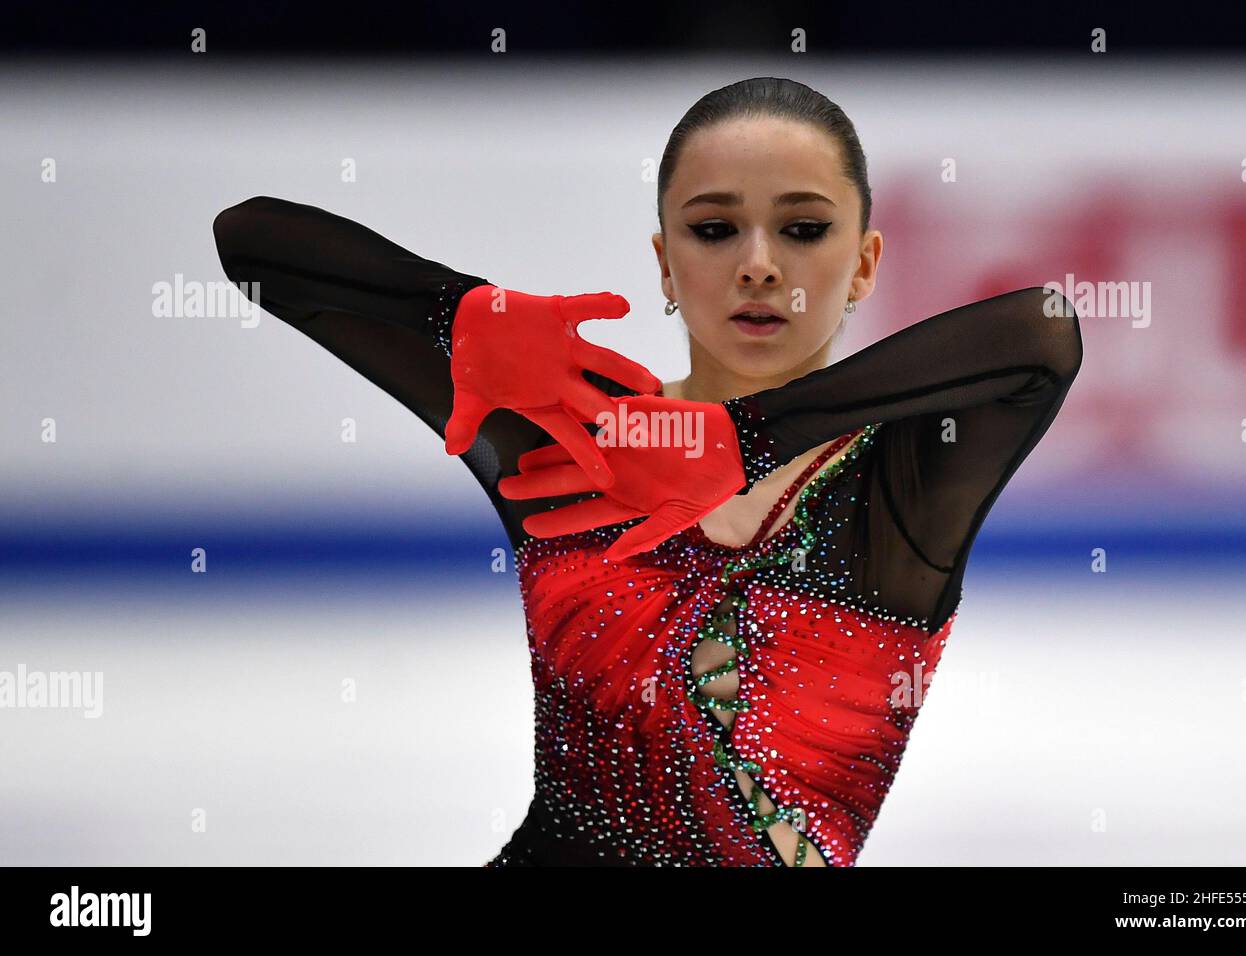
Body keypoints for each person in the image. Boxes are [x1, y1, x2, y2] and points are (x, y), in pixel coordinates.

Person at [211, 76, 1083, 867]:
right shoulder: (577, 440)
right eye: (712, 229)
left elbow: (1042, 333)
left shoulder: (899, 486)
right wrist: (458, 304)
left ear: (862, 265)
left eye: (804, 227)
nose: (758, 263)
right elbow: (249, 241)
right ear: (665, 262)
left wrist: (741, 437)